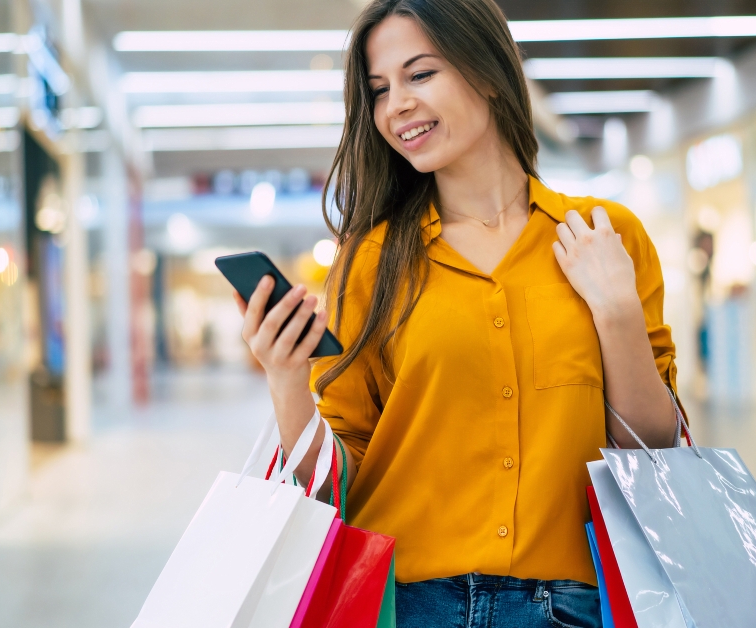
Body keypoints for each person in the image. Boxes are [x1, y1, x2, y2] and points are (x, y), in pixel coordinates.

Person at [234, 0, 682, 625]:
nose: (396, 106)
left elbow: (654, 450)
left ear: (492, 74)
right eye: (379, 90)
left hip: (573, 605)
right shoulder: (368, 263)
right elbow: (340, 481)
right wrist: (288, 385)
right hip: (409, 602)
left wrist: (617, 313)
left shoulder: (606, 236)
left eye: (420, 75)